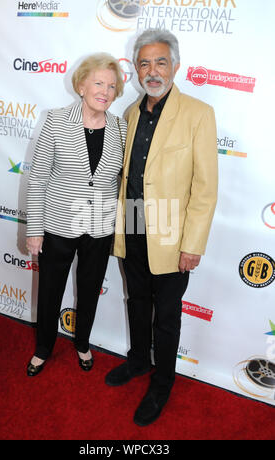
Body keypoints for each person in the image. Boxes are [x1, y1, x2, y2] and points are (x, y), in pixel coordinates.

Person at [105, 29, 218, 426]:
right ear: (135, 69)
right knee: (137, 302)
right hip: (133, 225)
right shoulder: (130, 113)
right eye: (144, 63)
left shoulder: (198, 113)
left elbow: (205, 188)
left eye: (160, 62)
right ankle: (138, 360)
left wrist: (193, 243)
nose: (152, 71)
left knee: (166, 314)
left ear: (176, 66)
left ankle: (163, 381)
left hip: (173, 235)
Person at [26, 53, 126, 377]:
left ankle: (82, 342)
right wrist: (35, 230)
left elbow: (122, 181)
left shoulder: (121, 129)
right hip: (57, 226)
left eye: (112, 86)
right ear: (82, 85)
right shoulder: (55, 120)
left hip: (99, 229)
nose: (105, 91)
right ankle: (43, 348)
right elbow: (39, 177)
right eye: (98, 82)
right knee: (50, 292)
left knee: (90, 289)